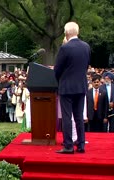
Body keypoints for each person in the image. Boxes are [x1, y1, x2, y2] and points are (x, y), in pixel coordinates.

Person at [54, 22, 90, 154]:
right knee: (79, 117)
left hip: (67, 87)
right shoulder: (86, 46)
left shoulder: (65, 48)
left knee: (67, 117)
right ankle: (81, 145)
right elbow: (86, 66)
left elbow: (57, 69)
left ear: (66, 33)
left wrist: (59, 80)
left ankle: (68, 145)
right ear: (77, 32)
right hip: (81, 86)